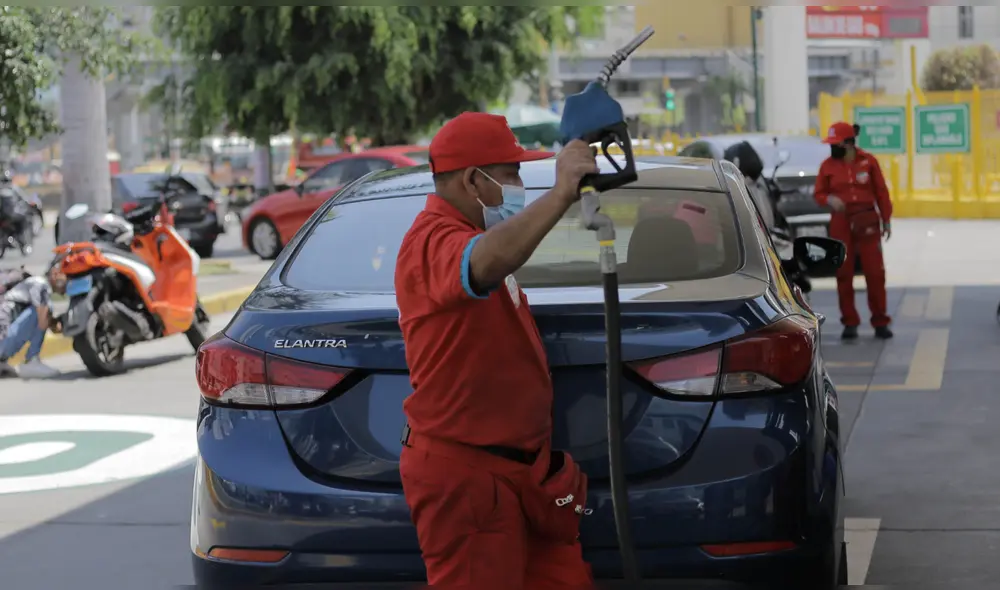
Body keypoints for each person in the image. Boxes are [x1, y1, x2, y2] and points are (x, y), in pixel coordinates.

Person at [393, 112, 599, 589]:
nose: (519, 187)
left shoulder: (467, 235)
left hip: (524, 474)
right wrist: (560, 194)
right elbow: (485, 261)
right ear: (473, 181)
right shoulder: (431, 241)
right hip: (468, 477)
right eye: (511, 175)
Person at [815, 121, 893, 340]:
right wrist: (829, 199)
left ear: (849, 143)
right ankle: (849, 322)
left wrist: (886, 220)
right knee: (843, 273)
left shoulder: (869, 162)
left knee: (875, 273)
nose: (832, 148)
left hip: (867, 221)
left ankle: (880, 321)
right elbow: (819, 193)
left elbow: (881, 192)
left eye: (836, 144)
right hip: (841, 222)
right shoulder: (827, 166)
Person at [0, 263, 66, 378]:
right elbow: (42, 321)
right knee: (44, 310)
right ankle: (31, 360)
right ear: (55, 274)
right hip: (3, 342)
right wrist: (51, 320)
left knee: (43, 310)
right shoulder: (41, 284)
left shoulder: (29, 286)